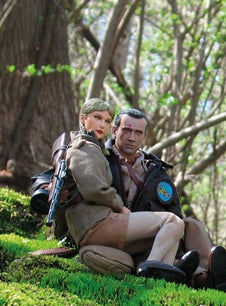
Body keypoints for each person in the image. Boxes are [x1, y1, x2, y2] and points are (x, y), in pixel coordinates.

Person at [62, 98, 195, 284]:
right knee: (172, 222)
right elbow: (95, 189)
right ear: (83, 119)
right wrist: (120, 207)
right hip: (97, 223)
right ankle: (151, 270)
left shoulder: (97, 149)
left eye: (107, 120)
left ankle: (162, 280)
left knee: (171, 232)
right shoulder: (84, 147)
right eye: (97, 118)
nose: (102, 124)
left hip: (101, 225)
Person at [105, 107, 226, 292]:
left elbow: (173, 211)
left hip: (158, 234)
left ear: (143, 136)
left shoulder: (154, 170)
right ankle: (181, 271)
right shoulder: (101, 158)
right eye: (126, 130)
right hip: (120, 232)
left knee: (190, 224)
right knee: (158, 245)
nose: (132, 137)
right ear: (115, 131)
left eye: (138, 133)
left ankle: (206, 276)